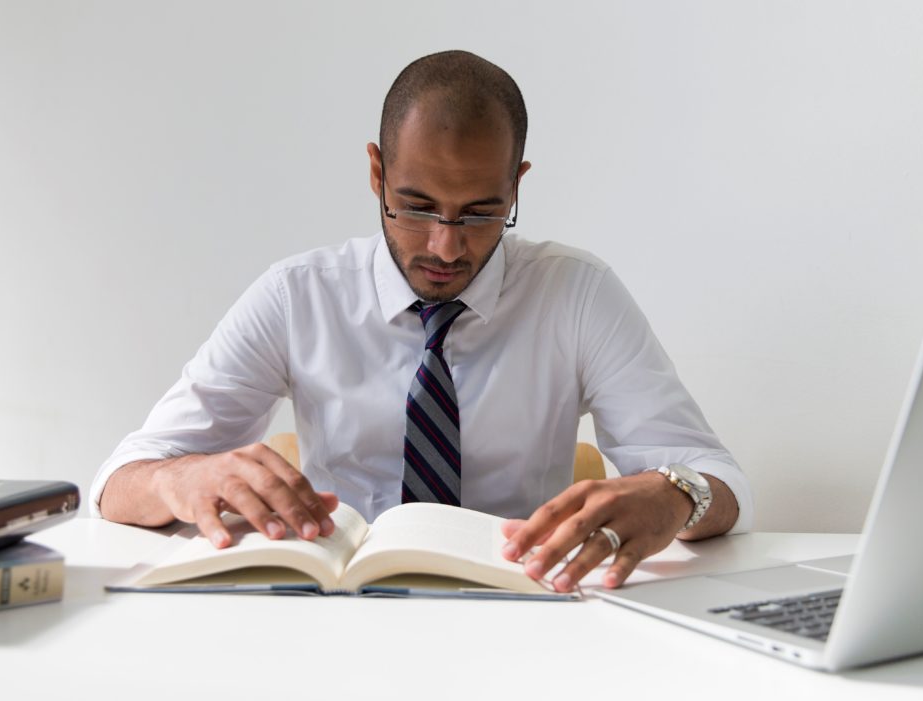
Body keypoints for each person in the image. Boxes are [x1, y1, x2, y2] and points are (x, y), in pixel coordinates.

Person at [92, 50, 752, 593]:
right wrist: (178, 479)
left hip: (521, 617)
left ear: (516, 187)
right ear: (377, 173)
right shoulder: (298, 296)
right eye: (416, 207)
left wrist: (675, 494)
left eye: (479, 213)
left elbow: (718, 479)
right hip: (334, 615)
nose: (444, 246)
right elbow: (118, 483)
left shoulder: (579, 296)